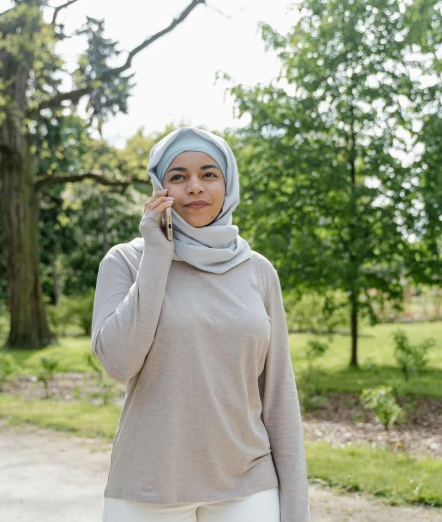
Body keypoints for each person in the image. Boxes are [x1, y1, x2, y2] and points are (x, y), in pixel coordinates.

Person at [91, 126, 312, 522]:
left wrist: (296, 507)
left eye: (209, 174)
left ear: (228, 184)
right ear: (160, 186)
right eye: (178, 176)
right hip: (149, 485)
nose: (195, 186)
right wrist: (158, 251)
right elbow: (118, 364)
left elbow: (279, 394)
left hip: (248, 482)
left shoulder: (258, 272)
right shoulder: (125, 261)